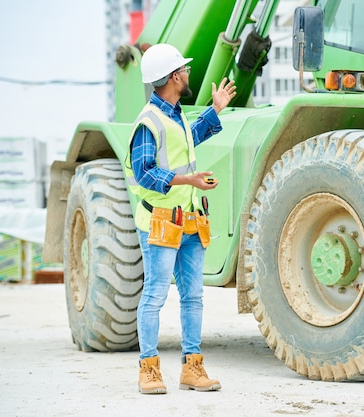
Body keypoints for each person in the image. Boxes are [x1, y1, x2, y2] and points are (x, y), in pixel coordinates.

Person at [124, 43, 236, 395]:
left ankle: (192, 367)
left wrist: (216, 110)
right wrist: (189, 180)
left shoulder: (175, 115)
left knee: (193, 297)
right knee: (155, 295)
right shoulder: (149, 121)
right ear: (174, 77)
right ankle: (149, 370)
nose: (188, 74)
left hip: (188, 220)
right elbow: (144, 174)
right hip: (159, 222)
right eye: (184, 70)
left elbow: (190, 139)